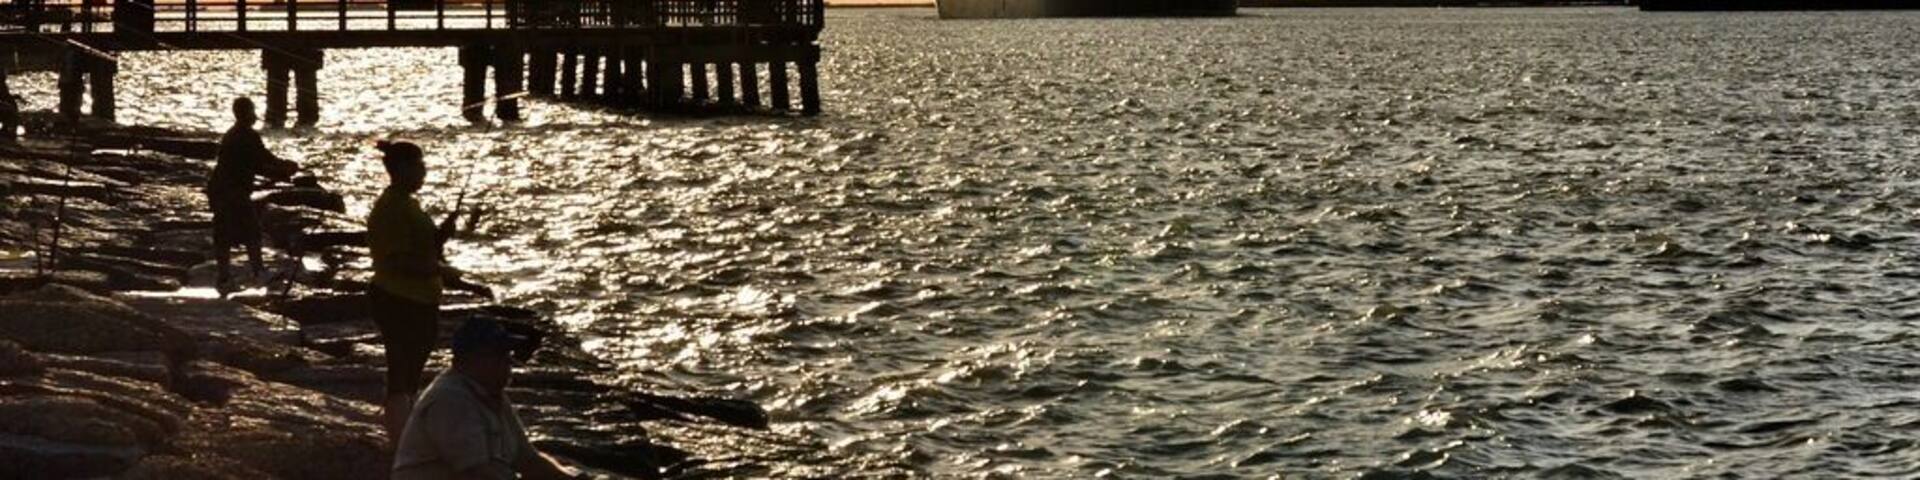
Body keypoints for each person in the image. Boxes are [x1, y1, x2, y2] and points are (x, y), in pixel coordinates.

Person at [392, 317, 583, 480]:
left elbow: (528, 459)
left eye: (508, 354)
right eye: (500, 355)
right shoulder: (450, 399)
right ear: (473, 359)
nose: (510, 362)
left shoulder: (491, 394)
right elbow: (478, 472)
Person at [206, 97, 297, 294]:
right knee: (251, 231)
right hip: (233, 192)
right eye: (252, 111)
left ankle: (224, 278)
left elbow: (258, 162)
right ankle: (258, 272)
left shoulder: (233, 134)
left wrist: (280, 169)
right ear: (245, 113)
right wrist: (284, 169)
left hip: (220, 190)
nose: (255, 115)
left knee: (224, 234)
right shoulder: (246, 135)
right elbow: (262, 160)